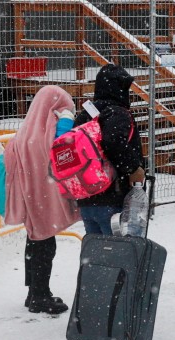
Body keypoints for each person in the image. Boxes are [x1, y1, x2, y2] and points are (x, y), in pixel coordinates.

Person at [3, 85, 80, 314]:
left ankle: (33, 292)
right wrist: (66, 123)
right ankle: (40, 295)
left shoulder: (25, 133)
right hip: (45, 198)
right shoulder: (47, 134)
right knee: (46, 244)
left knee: (35, 241)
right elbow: (62, 149)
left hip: (30, 198)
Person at [73, 64, 145, 235]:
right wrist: (134, 168)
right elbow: (114, 142)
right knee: (118, 255)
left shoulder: (86, 114)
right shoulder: (117, 113)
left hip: (87, 198)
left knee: (96, 255)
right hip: (113, 197)